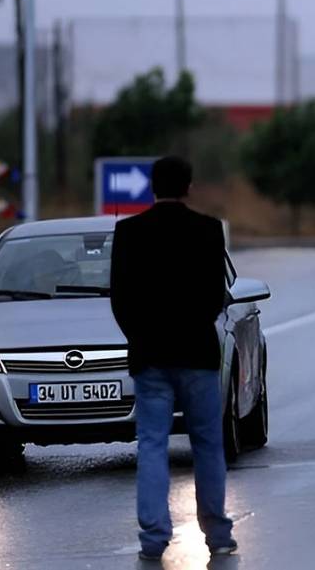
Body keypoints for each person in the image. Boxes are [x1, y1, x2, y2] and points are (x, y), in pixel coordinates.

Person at [110, 156, 236, 561]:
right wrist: (195, 323)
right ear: (189, 187)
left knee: (151, 444)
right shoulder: (208, 230)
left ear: (152, 187)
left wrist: (140, 336)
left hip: (149, 356)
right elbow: (216, 296)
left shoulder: (128, 233)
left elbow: (120, 299)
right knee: (207, 445)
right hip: (197, 352)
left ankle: (153, 538)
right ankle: (217, 533)